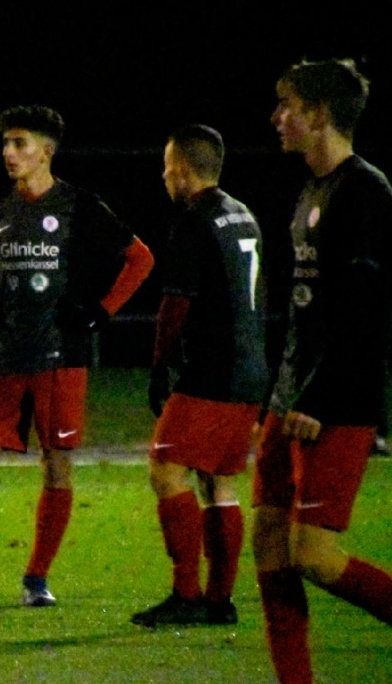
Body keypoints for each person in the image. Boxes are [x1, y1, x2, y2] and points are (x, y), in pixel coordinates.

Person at [0, 105, 154, 606]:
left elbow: (140, 259)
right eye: (6, 143)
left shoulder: (80, 205)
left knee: (57, 464)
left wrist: (100, 313)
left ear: (46, 151)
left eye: (19, 143)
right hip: (3, 354)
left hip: (62, 359)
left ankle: (36, 580)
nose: (8, 152)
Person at [253, 58, 392, 682]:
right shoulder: (311, 190)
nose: (276, 117)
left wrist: (318, 395)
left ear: (319, 114)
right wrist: (279, 393)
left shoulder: (366, 191)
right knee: (269, 542)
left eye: (286, 105)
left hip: (336, 402)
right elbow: (304, 310)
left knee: (314, 555)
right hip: (290, 396)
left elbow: (366, 311)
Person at [129, 124, 268, 627]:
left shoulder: (194, 218)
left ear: (185, 170)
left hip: (212, 370)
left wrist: (159, 365)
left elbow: (175, 302)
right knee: (219, 483)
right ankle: (219, 600)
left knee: (166, 470)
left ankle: (186, 593)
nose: (164, 176)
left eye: (168, 167)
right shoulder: (243, 214)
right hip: (251, 367)